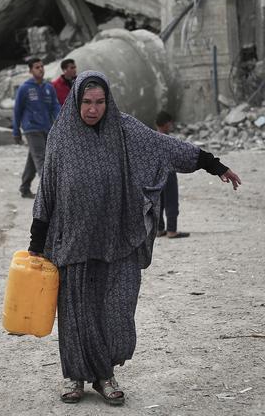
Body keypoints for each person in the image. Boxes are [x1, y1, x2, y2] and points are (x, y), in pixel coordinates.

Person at [27, 71, 241, 405]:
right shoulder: (60, 136)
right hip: (72, 241)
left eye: (100, 102)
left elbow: (166, 147)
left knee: (115, 308)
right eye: (87, 102)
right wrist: (35, 245)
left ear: (107, 102)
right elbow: (47, 192)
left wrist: (213, 165)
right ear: (76, 102)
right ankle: (75, 377)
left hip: (118, 239)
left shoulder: (124, 129)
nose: (93, 109)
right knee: (76, 314)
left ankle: (105, 375)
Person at [13, 57, 60, 199]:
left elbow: (55, 107)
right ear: (30, 70)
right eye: (37, 67)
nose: (41, 69)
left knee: (33, 160)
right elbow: (17, 111)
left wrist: (61, 122)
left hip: (46, 128)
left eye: (42, 66)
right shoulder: (24, 88)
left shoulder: (48, 88)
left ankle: (25, 188)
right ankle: (49, 193)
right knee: (42, 158)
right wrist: (16, 131)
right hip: (31, 128)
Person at [154, 110, 188, 238]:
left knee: (158, 202)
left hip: (155, 175)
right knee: (171, 201)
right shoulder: (168, 140)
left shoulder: (151, 137)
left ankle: (159, 229)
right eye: (170, 124)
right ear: (167, 124)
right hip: (168, 173)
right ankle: (171, 230)